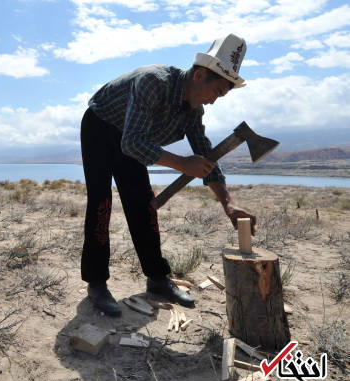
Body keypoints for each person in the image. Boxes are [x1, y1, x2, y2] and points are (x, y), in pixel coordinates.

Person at [80, 33, 256, 316]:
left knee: (143, 206)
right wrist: (183, 164)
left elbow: (206, 154)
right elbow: (131, 142)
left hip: (135, 139)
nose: (213, 102)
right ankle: (97, 283)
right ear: (199, 76)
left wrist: (228, 203)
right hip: (101, 126)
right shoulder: (153, 82)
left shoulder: (193, 111)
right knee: (101, 203)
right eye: (217, 92)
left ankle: (158, 279)